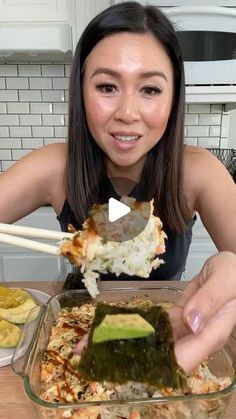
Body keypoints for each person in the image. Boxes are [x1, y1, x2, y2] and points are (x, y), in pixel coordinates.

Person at [0, 1, 235, 369]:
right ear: (80, 91)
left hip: (164, 332)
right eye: (107, 86)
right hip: (77, 335)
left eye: (151, 90)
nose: (127, 113)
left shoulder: (199, 171)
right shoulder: (54, 166)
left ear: (174, 98)